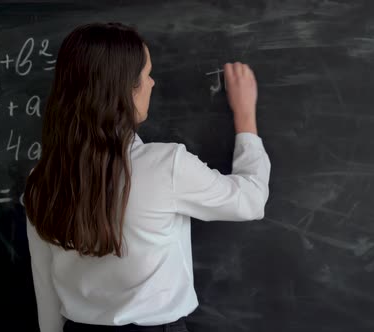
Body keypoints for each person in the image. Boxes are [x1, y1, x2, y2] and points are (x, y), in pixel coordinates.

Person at [24, 22, 270, 332]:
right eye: (146, 74)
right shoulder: (165, 166)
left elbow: (45, 284)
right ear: (124, 88)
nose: (152, 83)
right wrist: (245, 116)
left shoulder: (41, 179)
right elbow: (251, 200)